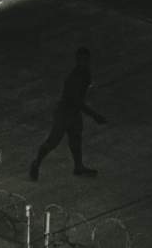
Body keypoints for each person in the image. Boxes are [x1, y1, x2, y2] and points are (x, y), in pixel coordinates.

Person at [29, 47, 107, 181]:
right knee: (53, 141)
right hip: (64, 113)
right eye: (81, 60)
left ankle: (78, 167)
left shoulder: (85, 73)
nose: (83, 62)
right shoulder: (75, 77)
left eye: (85, 60)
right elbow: (77, 100)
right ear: (77, 60)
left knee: (76, 140)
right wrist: (95, 115)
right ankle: (36, 163)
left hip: (74, 112)